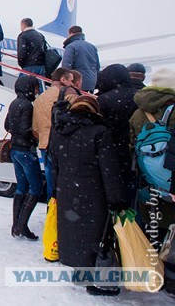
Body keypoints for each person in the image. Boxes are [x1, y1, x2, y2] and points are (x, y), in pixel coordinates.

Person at [50, 95, 126, 296]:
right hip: (93, 192)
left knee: (73, 233)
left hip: (66, 190)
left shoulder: (59, 131)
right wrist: (116, 199)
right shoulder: (99, 132)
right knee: (95, 235)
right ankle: (95, 282)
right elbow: (109, 170)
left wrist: (55, 190)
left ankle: (79, 271)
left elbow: (53, 164)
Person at [129, 67, 175, 296]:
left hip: (147, 182)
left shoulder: (138, 113)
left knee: (151, 225)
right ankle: (171, 279)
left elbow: (131, 147)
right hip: (171, 182)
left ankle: (151, 270)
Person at [5, 76, 42, 240]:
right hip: (26, 151)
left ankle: (16, 224)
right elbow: (26, 128)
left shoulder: (14, 103)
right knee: (35, 188)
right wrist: (35, 138)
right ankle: (22, 225)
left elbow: (7, 125)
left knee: (21, 186)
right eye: (35, 87)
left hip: (15, 150)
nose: (36, 91)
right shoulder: (28, 105)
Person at [32, 67, 77, 201]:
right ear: (63, 79)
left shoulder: (39, 98)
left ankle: (50, 210)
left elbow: (34, 127)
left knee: (51, 180)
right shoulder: (67, 95)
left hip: (44, 144)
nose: (72, 84)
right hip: (61, 144)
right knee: (63, 182)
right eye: (71, 81)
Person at [95, 64, 138, 203]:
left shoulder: (104, 99)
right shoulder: (138, 96)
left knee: (113, 191)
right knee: (133, 191)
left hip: (111, 152)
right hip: (135, 152)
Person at [61, 25, 100, 92]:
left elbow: (66, 66)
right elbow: (97, 66)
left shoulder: (71, 47)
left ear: (71, 33)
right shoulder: (92, 47)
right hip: (91, 82)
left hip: (77, 82)